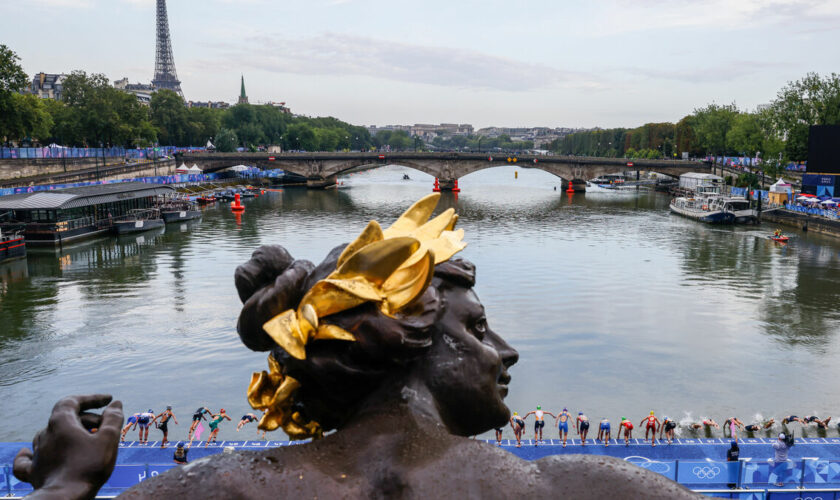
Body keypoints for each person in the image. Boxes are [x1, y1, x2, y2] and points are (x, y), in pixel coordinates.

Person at [13, 195, 699, 499]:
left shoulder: (217, 489)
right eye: (479, 328)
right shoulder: (579, 490)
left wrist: (69, 485)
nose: (506, 350)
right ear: (404, 337)